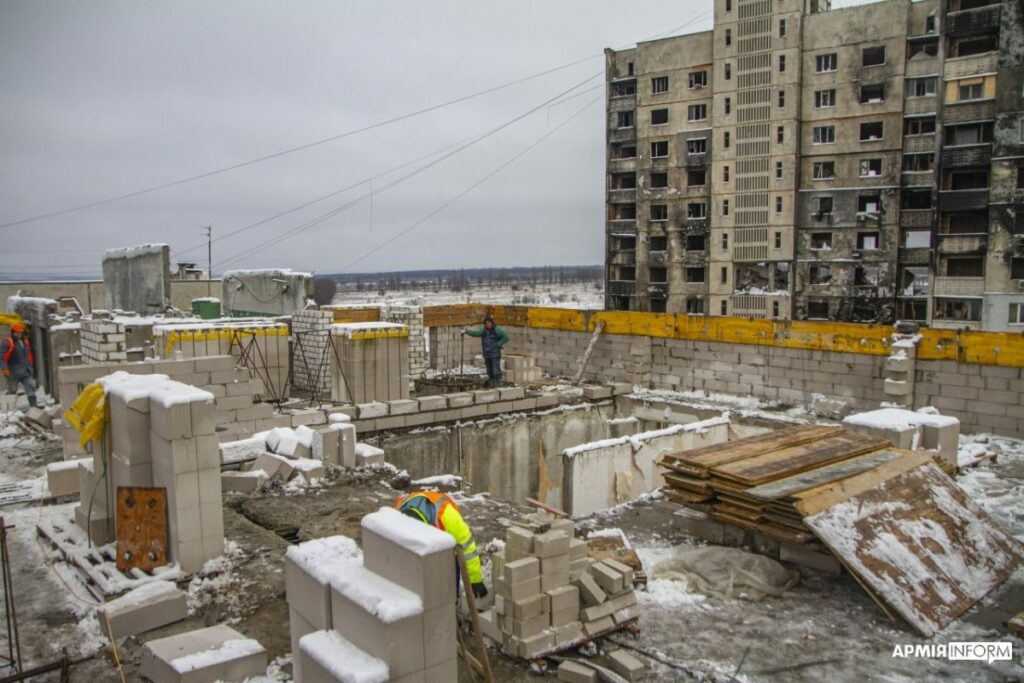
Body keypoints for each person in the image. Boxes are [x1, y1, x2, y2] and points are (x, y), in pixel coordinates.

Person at [394, 490, 487, 599]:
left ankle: (452, 600)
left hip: (447, 540)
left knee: (449, 567)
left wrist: (475, 579)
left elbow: (468, 548)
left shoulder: (448, 516)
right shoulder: (398, 513)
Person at [462, 314, 509, 388]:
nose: (488, 324)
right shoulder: (483, 331)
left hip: (495, 355)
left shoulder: (497, 330)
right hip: (487, 354)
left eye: (489, 322)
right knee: (489, 371)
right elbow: (475, 333)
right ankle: (492, 385)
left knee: (495, 371)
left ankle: (498, 385)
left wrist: (498, 344)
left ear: (492, 323)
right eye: (486, 323)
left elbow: (506, 337)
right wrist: (466, 331)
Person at [1, 323, 36, 408]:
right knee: (12, 391)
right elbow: (1, 357)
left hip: (25, 371)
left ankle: (34, 408)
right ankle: (8, 409)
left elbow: (28, 356)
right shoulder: (8, 343)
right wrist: (5, 369)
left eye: (21, 333)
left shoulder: (25, 342)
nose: (19, 335)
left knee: (30, 388)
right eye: (17, 333)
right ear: (13, 333)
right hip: (13, 372)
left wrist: (30, 368)